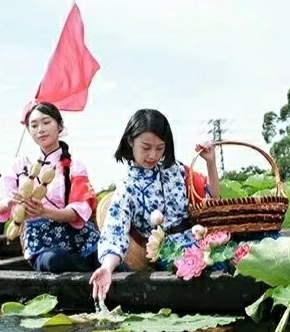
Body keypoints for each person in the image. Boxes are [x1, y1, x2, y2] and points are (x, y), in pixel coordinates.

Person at [89, 109, 220, 305]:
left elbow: (212, 199)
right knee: (199, 269)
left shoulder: (176, 169)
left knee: (231, 255)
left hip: (199, 236)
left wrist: (211, 162)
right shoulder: (126, 188)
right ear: (130, 141)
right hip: (168, 252)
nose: (153, 155)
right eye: (146, 147)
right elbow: (114, 232)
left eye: (160, 148)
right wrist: (107, 268)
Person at [0, 102, 101, 272]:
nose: (40, 129)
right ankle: (90, 276)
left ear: (59, 125)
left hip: (80, 238)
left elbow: (79, 211)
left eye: (46, 122)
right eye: (34, 125)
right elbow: (0, 200)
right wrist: (10, 202)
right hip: (40, 243)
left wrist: (45, 211)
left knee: (108, 257)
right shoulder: (19, 165)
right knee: (54, 261)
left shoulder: (75, 166)